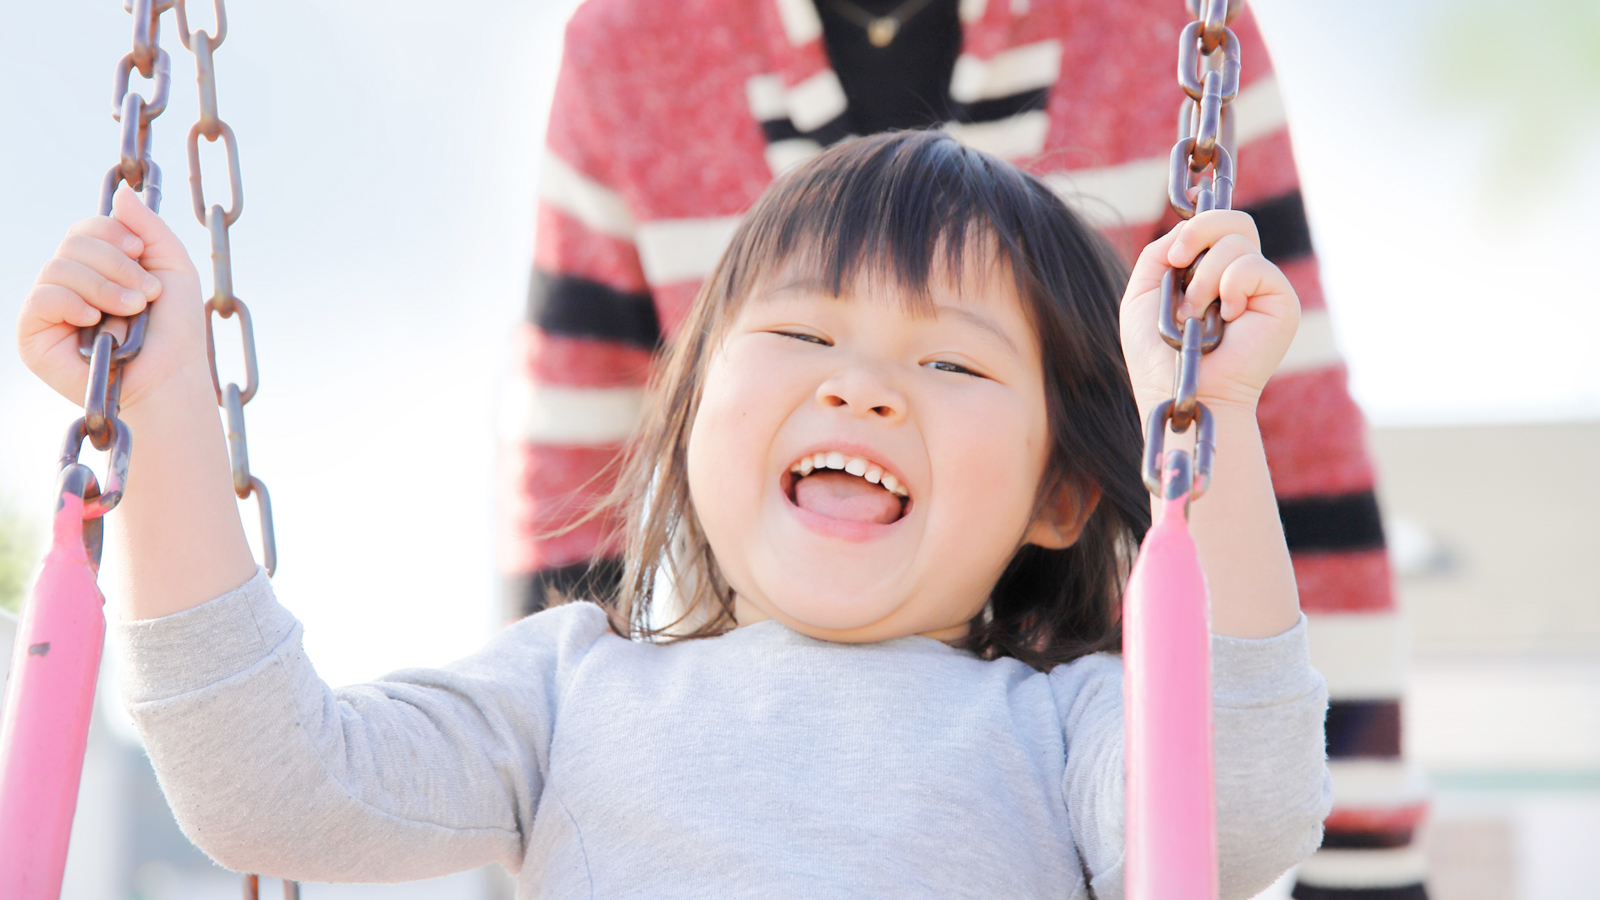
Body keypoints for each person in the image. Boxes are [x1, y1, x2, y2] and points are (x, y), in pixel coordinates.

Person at [19, 132, 1328, 898]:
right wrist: (167, 405)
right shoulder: (569, 695)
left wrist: (1201, 427)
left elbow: (1235, 810)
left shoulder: (1071, 731)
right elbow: (274, 790)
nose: (859, 389)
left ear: (1059, 493)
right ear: (696, 412)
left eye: (950, 363)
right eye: (804, 329)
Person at [510, 5, 1421, 897]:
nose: (862, 391)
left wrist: (1366, 860)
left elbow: (1287, 460)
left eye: (948, 359)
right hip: (720, 759)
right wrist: (563, 815)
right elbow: (579, 471)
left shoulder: (1166, 26)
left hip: (1061, 767)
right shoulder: (633, 43)